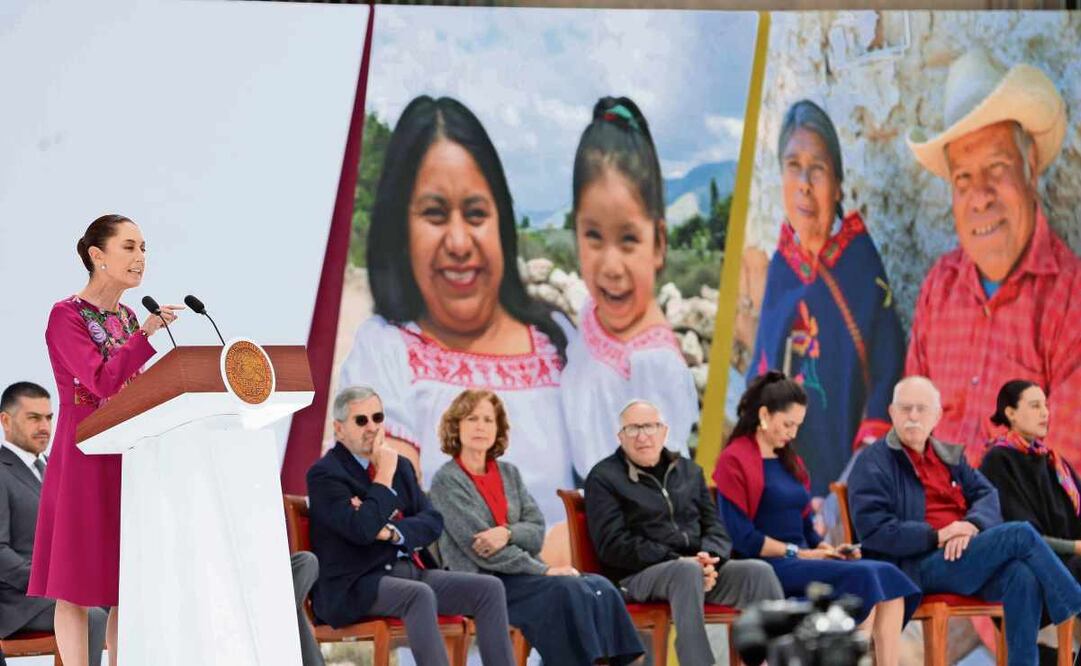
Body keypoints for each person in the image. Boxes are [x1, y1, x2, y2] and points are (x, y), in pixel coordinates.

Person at [338, 96, 573, 538]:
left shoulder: (558, 343)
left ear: (501, 221)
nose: (460, 242)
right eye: (434, 214)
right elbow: (402, 519)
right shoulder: (384, 351)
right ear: (399, 230)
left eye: (476, 214)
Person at [905, 48, 1081, 469]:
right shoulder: (939, 289)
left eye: (997, 168)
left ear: (1030, 167)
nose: (980, 196)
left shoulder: (1072, 299)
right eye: (964, 178)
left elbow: (1059, 482)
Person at [29, 214, 181, 666]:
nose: (141, 258)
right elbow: (100, 382)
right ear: (97, 256)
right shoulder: (66, 315)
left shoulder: (128, 316)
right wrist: (147, 336)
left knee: (125, 582)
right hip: (83, 454)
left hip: (128, 453)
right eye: (130, 247)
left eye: (144, 248)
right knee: (73, 583)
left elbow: (134, 385)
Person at [848, 376, 1081, 666]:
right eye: (906, 408)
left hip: (963, 557)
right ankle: (1074, 602)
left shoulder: (949, 456)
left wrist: (970, 526)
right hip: (915, 564)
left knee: (1023, 575)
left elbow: (987, 495)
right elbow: (874, 530)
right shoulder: (873, 462)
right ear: (891, 412)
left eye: (922, 409)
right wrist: (938, 535)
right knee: (1020, 534)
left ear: (937, 416)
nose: (913, 417)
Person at [745, 99, 904, 497]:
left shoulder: (861, 269)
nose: (804, 182)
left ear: (837, 186)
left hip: (846, 488)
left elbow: (888, 378)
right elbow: (761, 372)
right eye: (793, 166)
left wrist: (848, 490)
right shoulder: (782, 267)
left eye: (817, 168)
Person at [713, 372, 919, 666]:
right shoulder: (734, 460)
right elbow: (743, 538)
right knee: (866, 578)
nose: (793, 434)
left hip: (803, 558)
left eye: (797, 425)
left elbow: (807, 528)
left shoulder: (789, 460)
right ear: (763, 415)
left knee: (886, 575)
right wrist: (799, 552)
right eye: (788, 424)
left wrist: (827, 548)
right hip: (770, 565)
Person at [429, 389, 643, 665]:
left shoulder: (510, 474)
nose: (481, 426)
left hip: (521, 575)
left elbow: (535, 529)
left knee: (599, 585)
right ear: (457, 426)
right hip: (481, 582)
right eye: (472, 419)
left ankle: (624, 661)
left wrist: (507, 533)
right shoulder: (447, 481)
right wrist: (544, 569)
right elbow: (480, 550)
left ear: (498, 429)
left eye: (488, 420)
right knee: (567, 589)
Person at [307, 386, 515, 666]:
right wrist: (383, 475)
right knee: (418, 596)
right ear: (339, 429)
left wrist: (393, 532)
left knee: (489, 589)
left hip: (408, 571)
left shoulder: (401, 466)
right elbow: (361, 530)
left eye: (377, 418)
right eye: (361, 420)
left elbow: (432, 521)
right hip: (355, 584)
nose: (372, 427)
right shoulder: (325, 474)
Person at [584, 399, 783, 666]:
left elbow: (716, 528)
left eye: (650, 427)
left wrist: (709, 560)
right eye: (632, 429)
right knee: (685, 572)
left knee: (758, 573)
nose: (642, 436)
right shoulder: (603, 477)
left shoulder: (688, 471)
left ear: (664, 431)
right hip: (636, 577)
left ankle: (783, 660)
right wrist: (677, 560)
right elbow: (613, 545)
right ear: (620, 437)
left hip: (698, 571)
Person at [560, 96, 698, 478]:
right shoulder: (591, 314)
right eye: (593, 236)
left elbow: (663, 486)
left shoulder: (654, 364)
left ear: (659, 243)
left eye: (628, 239)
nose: (610, 266)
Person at [0, 382, 106, 665]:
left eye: (48, 417)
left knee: (120, 602)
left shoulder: (51, 469)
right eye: (33, 418)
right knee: (91, 616)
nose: (45, 426)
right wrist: (50, 581)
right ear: (5, 421)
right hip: (15, 601)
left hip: (55, 587)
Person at [980, 380, 1081, 579]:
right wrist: (1075, 547)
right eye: (1035, 406)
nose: (1045, 413)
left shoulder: (1054, 461)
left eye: (1045, 405)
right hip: (1032, 561)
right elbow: (1020, 534)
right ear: (1010, 413)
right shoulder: (998, 461)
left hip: (1071, 557)